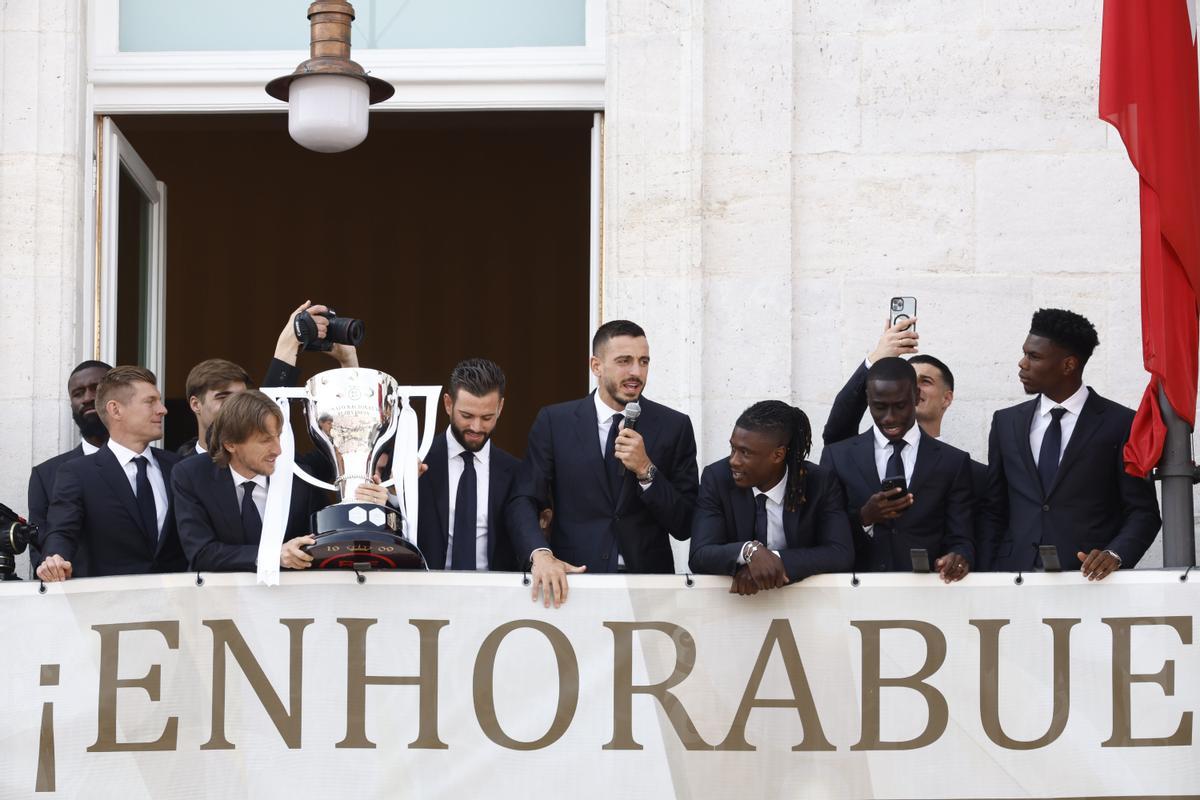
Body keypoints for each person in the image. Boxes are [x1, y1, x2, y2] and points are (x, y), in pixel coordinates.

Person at [508, 320, 699, 607]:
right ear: (596, 366)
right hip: (574, 586)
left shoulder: (675, 426)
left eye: (643, 361)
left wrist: (647, 471)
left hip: (649, 591)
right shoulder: (554, 422)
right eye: (624, 361)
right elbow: (523, 498)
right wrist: (540, 554)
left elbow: (686, 523)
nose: (636, 372)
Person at [980, 308, 1160, 578]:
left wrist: (1114, 554)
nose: (1022, 363)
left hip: (1088, 583)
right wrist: (987, 572)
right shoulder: (1006, 422)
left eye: (1034, 356)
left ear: (1068, 365)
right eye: (1024, 352)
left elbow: (1143, 512)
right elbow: (994, 509)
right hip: (1013, 579)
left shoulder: (1122, 423)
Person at [172, 389, 384, 572]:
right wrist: (273, 555)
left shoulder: (299, 478)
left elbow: (329, 538)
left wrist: (369, 506)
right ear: (230, 444)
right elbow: (201, 553)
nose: (278, 450)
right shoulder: (191, 475)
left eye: (278, 436)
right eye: (265, 440)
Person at [820, 357, 974, 582]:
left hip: (928, 595)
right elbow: (823, 532)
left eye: (900, 406)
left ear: (916, 397)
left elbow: (962, 538)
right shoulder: (838, 456)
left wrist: (958, 557)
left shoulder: (953, 462)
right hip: (855, 596)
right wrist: (865, 517)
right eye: (880, 407)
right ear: (868, 400)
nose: (890, 418)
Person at [37, 366, 187, 581]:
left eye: (159, 400)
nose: (162, 409)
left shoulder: (178, 468)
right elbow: (62, 531)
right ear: (115, 410)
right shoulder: (77, 473)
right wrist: (55, 559)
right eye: (150, 401)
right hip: (110, 608)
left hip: (180, 606)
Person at [689, 401, 854, 594]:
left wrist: (772, 562)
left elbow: (840, 553)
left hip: (804, 606)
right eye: (733, 449)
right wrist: (749, 552)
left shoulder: (819, 482)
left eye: (745, 452)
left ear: (778, 454)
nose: (733, 461)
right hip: (735, 609)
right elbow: (700, 555)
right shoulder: (717, 479)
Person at [416, 358, 519, 571]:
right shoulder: (415, 460)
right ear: (448, 404)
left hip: (493, 598)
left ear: (500, 407)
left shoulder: (515, 472)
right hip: (425, 596)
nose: (476, 427)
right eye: (467, 415)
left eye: (487, 417)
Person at [26, 360, 112, 576]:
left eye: (97, 388)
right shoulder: (46, 475)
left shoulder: (160, 466)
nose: (87, 398)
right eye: (78, 393)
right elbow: (40, 551)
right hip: (75, 601)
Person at [176, 359, 252, 457]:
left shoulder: (267, 463)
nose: (236, 405)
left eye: (241, 398)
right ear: (195, 405)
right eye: (223, 397)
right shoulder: (175, 468)